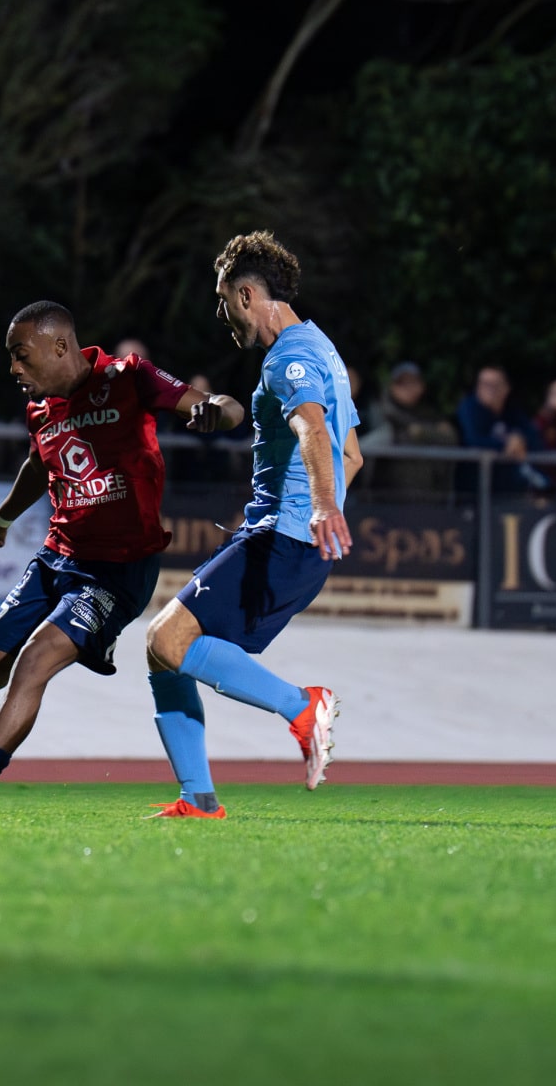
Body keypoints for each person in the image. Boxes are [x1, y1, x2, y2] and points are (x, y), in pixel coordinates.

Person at [0, 300, 245, 815]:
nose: (13, 368)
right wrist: (1, 522)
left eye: (21, 355)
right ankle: (80, 637)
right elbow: (37, 467)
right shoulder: (40, 408)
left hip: (117, 570)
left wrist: (218, 412)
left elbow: (222, 405)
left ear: (60, 346)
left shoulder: (129, 377)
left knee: (34, 662)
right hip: (55, 559)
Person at [143, 230, 363, 818]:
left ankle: (302, 706)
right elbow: (352, 455)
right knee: (165, 652)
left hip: (285, 538)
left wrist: (319, 506)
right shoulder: (324, 349)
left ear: (246, 295)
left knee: (165, 639)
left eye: (223, 301)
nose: (223, 316)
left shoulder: (289, 357)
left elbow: (311, 426)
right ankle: (198, 797)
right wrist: (320, 507)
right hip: (293, 540)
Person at [357, 361, 457, 498]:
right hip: (385, 497)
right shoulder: (379, 413)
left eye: (413, 383)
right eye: (402, 384)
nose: (409, 389)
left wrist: (421, 432)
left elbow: (450, 438)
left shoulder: (429, 413)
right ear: (392, 386)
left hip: (427, 495)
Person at [455, 365, 545, 494]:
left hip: (508, 490)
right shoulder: (468, 408)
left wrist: (521, 439)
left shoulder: (512, 410)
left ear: (506, 388)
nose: (489, 389)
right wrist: (506, 445)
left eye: (494, 385)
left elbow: (534, 437)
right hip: (473, 490)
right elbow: (472, 440)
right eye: (484, 384)